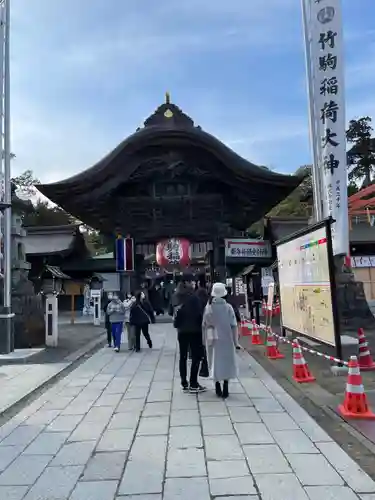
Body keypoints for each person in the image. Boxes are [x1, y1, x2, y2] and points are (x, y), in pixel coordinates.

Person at [202, 282, 238, 398]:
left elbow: (204, 325)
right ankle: (226, 385)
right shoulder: (228, 307)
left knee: (213, 361)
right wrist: (236, 341)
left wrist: (204, 340)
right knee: (227, 362)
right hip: (227, 338)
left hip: (212, 338)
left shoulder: (208, 307)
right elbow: (234, 325)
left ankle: (217, 385)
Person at [173, 281, 206, 393]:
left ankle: (184, 382)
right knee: (196, 356)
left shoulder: (177, 298)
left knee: (182, 357)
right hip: (195, 331)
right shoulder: (194, 298)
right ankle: (193, 382)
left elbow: (172, 313)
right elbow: (199, 314)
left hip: (182, 331)